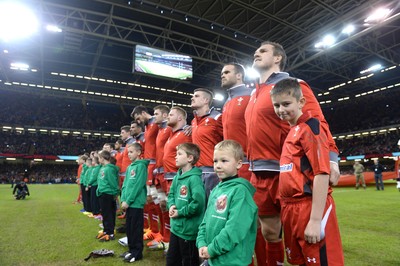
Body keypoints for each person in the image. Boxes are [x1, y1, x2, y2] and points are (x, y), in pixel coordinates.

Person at [244, 41, 340, 265]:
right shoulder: (253, 94)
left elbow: (318, 123)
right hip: (259, 172)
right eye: (256, 50)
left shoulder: (293, 85)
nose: (256, 52)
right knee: (269, 232)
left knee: (305, 237)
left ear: (277, 58)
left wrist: (332, 158)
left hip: (287, 172)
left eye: (263, 50)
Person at [270, 78, 344, 265]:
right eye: (276, 105)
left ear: (301, 102)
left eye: (286, 104)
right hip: (290, 208)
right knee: (299, 261)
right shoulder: (292, 131)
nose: (281, 109)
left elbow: (321, 173)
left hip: (307, 206)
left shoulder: (310, 127)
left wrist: (315, 220)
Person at [221, 62, 267, 266]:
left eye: (227, 72)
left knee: (256, 222)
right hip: (231, 171)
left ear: (239, 75)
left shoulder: (251, 97)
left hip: (249, 167)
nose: (222, 75)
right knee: (235, 221)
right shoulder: (227, 103)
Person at [196, 140, 258, 266]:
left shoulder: (241, 192)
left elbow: (234, 229)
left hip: (232, 260)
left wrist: (212, 249)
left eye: (224, 161)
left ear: (239, 164)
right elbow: (205, 220)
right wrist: (201, 242)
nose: (218, 165)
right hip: (213, 257)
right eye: (215, 161)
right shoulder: (217, 189)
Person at [166, 143, 206, 266]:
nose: (175, 156)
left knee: (189, 261)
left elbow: (198, 204)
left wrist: (180, 212)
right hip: (175, 228)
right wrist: (171, 205)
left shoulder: (194, 179)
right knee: (172, 260)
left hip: (188, 232)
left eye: (179, 154)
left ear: (190, 158)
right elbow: (171, 194)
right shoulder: (178, 176)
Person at [131, 106, 162, 244]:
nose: (138, 121)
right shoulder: (148, 127)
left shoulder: (156, 123)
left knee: (159, 202)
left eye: (138, 118)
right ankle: (154, 230)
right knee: (150, 202)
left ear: (143, 113)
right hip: (149, 166)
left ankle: (162, 233)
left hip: (156, 166)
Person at [191, 88, 223, 199]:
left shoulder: (217, 118)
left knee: (212, 208)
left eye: (196, 96)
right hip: (196, 172)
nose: (192, 98)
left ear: (205, 100)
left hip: (212, 172)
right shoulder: (194, 122)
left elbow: (227, 141)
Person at [120, 143, 149, 263]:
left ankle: (137, 253)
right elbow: (125, 185)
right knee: (129, 229)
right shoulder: (130, 167)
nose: (129, 154)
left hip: (135, 203)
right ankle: (131, 250)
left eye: (131, 152)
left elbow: (138, 186)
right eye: (128, 152)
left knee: (136, 229)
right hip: (128, 203)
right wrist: (123, 199)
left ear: (138, 152)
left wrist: (129, 200)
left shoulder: (141, 166)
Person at [96, 150, 120, 242]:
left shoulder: (109, 169)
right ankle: (106, 230)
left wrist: (115, 193)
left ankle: (110, 233)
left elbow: (113, 182)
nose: (98, 160)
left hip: (108, 194)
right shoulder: (103, 168)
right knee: (105, 214)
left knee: (109, 214)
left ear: (102, 158)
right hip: (102, 193)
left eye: (99, 158)